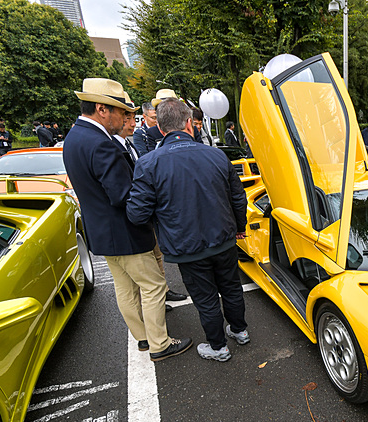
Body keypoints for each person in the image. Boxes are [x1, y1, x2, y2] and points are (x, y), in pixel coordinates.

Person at [63, 77, 192, 362]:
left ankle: (144, 338)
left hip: (101, 232)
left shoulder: (74, 137)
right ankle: (160, 343)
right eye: (121, 112)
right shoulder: (102, 144)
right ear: (101, 109)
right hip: (125, 231)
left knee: (125, 289)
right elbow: (123, 195)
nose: (125, 118)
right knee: (154, 286)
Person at [127, 98, 249, 362]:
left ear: (160, 128)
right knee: (231, 287)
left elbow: (137, 214)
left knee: (205, 298)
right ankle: (239, 331)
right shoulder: (216, 155)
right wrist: (240, 227)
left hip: (185, 246)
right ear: (188, 123)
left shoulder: (148, 164)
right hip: (224, 238)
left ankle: (218, 347)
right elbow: (238, 197)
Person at [113, 93, 188, 305]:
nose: (130, 123)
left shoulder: (130, 144)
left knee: (157, 256)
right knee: (149, 266)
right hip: (145, 207)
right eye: (128, 119)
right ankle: (158, 299)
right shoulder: (136, 140)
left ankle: (164, 291)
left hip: (150, 207)